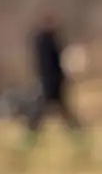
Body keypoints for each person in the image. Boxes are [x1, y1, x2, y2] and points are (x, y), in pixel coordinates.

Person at [24, 12, 83, 143]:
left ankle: (77, 136)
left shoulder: (45, 40)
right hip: (50, 82)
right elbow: (53, 63)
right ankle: (29, 138)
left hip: (51, 82)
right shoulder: (47, 40)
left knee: (55, 112)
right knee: (44, 112)